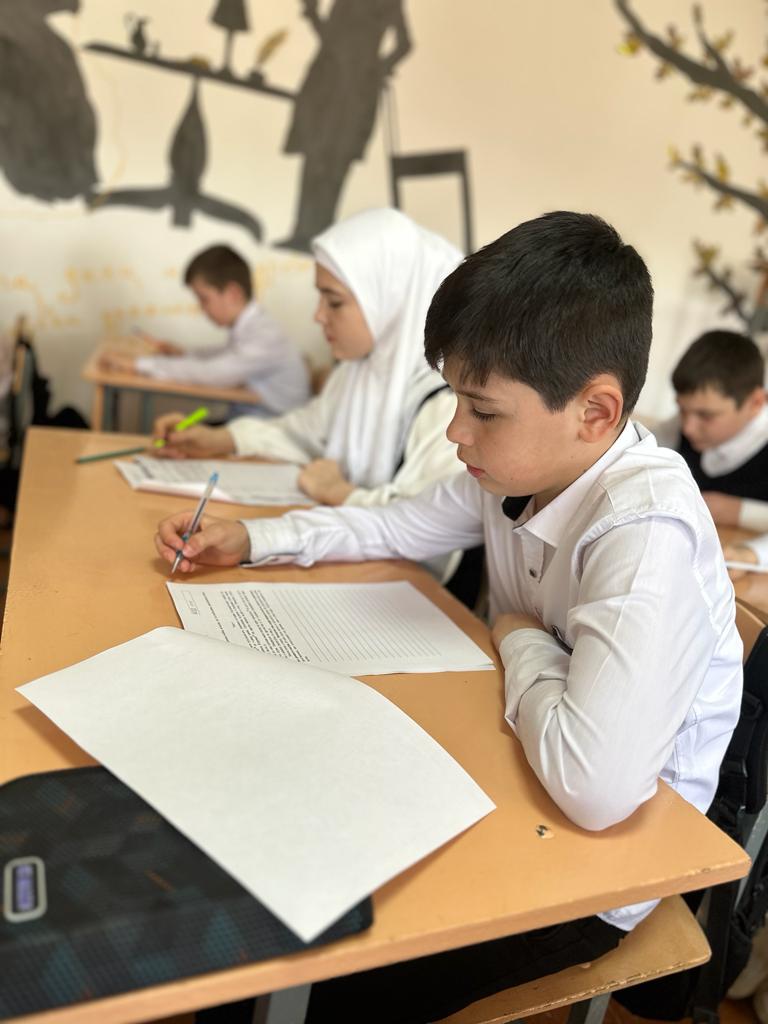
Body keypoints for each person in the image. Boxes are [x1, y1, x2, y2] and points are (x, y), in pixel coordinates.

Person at [156, 211, 743, 1024]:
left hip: (599, 870)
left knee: (315, 967)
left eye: (483, 411)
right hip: (516, 762)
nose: (455, 432)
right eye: (456, 400)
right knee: (276, 866)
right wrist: (256, 538)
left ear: (596, 412)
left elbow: (596, 787)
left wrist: (517, 633)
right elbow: (394, 525)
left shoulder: (644, 531)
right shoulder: (519, 468)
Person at [151, 208, 464, 511]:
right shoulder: (355, 374)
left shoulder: (451, 404)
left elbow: (436, 520)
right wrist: (220, 439)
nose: (318, 315)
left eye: (334, 302)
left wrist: (341, 494)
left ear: (391, 302)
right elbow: (301, 432)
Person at [99, 245, 309, 417]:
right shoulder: (252, 326)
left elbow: (215, 373)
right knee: (178, 434)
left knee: (176, 437)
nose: (201, 308)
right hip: (249, 422)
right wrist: (185, 353)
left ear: (233, 293)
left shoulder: (265, 335)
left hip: (268, 433)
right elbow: (227, 357)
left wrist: (139, 365)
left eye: (204, 298)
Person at [653, 330, 768, 529]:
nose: (687, 428)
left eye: (706, 416)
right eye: (682, 410)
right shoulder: (684, 422)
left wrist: (740, 512)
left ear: (755, 403)